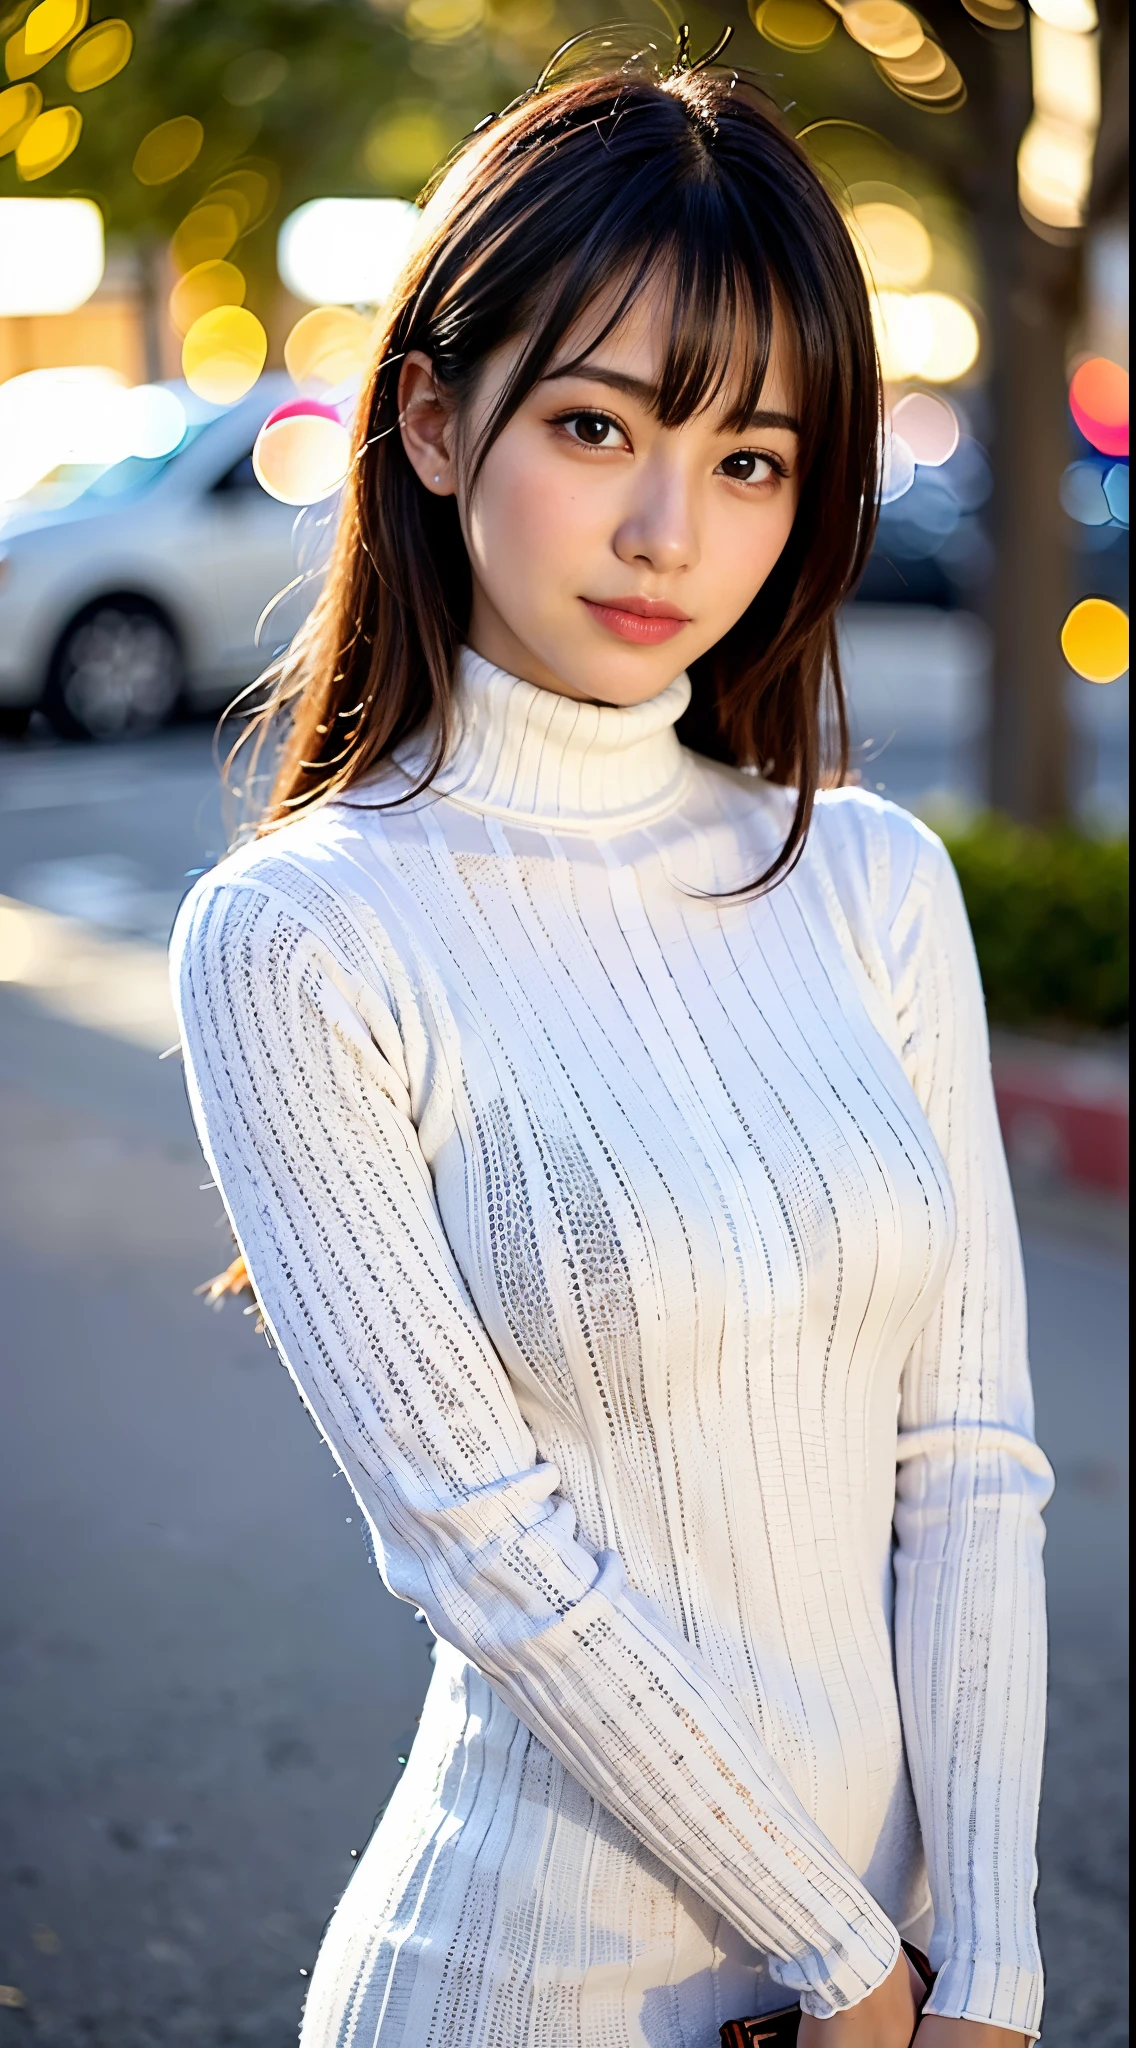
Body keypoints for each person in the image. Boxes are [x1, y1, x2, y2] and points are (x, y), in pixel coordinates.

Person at [171, 43, 1052, 2048]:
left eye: (750, 458)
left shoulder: (870, 883)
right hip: (523, 1985)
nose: (670, 527)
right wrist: (848, 1962)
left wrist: (986, 1973)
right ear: (430, 420)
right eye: (595, 423)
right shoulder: (303, 936)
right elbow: (481, 1546)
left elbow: (970, 1468)